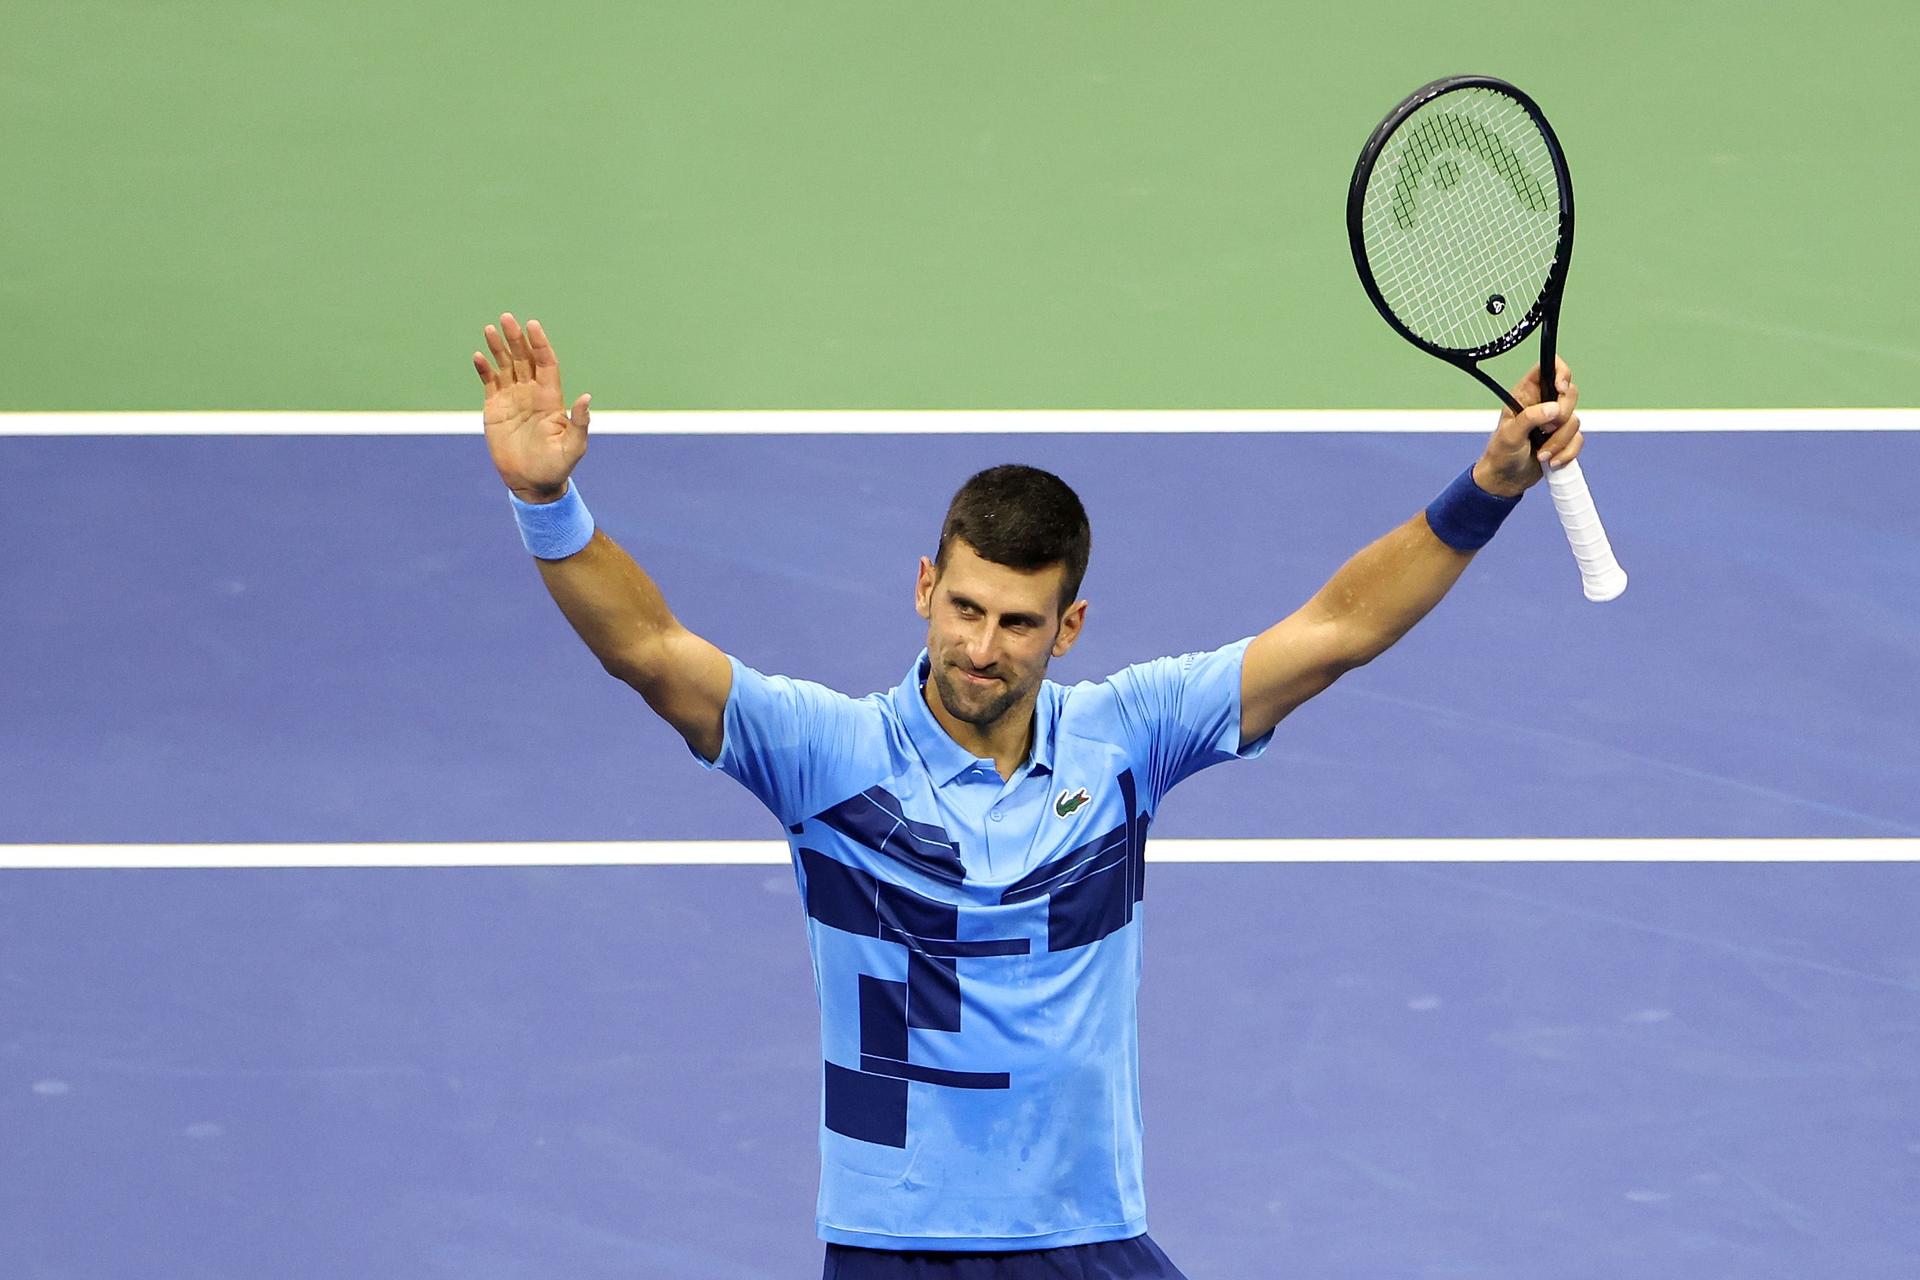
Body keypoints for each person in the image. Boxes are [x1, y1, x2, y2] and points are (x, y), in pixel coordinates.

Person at [470, 312, 1584, 1279]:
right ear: (924, 588)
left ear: (1070, 627)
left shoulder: (1128, 736)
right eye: (963, 607)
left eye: (1014, 622)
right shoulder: (828, 754)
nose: (980, 646)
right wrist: (548, 502)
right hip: (891, 1241)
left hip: (1081, 1233)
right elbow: (653, 652)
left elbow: (1336, 630)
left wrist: (1487, 486)